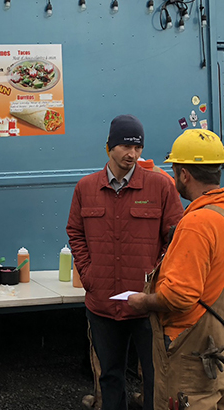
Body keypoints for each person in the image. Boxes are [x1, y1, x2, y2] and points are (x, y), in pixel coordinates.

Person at [128, 129, 224, 410]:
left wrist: (143, 301)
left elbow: (179, 297)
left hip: (191, 347)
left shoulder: (197, 223)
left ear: (184, 174)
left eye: (174, 170)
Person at [66, 114, 183, 410]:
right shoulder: (86, 188)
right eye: (125, 147)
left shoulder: (160, 186)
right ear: (109, 147)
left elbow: (176, 238)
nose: (132, 154)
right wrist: (88, 274)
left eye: (138, 148)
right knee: (109, 376)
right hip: (102, 303)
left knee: (155, 378)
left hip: (146, 305)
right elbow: (75, 232)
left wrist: (158, 282)